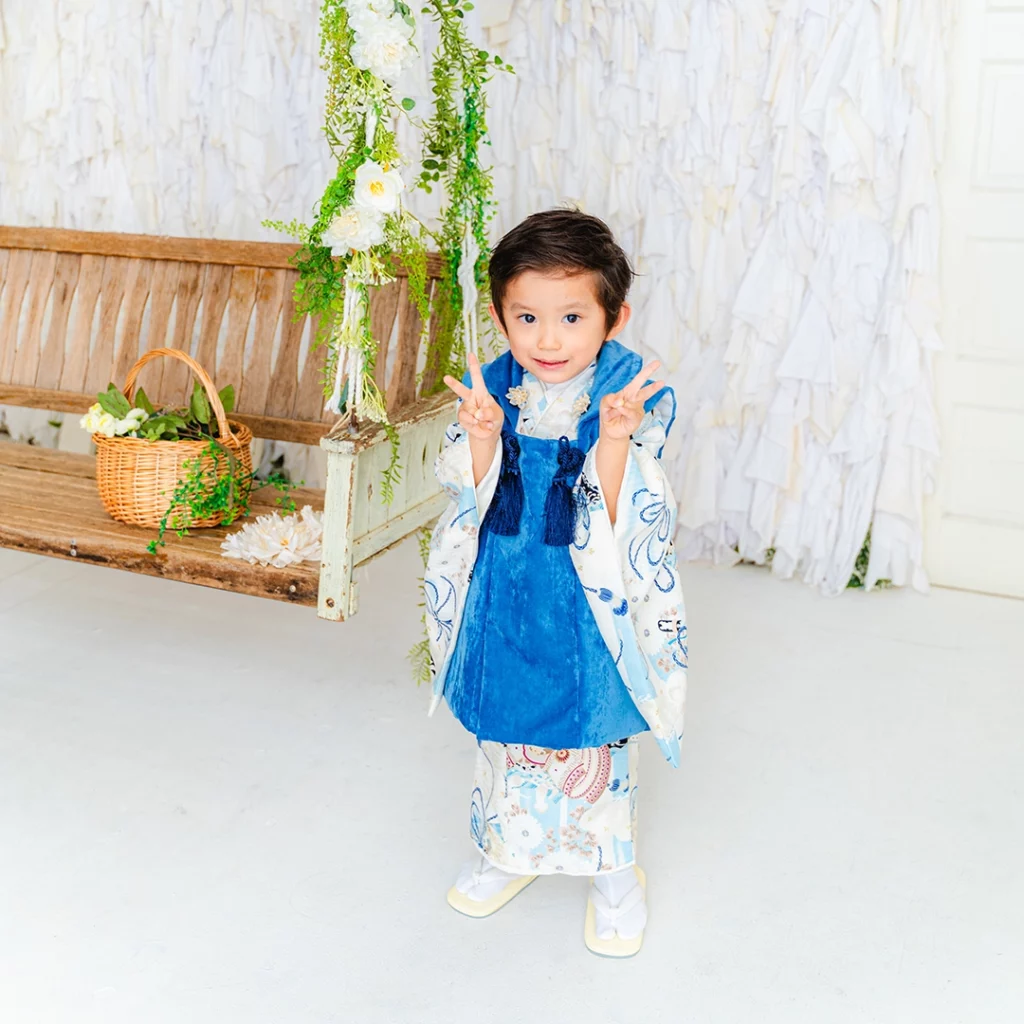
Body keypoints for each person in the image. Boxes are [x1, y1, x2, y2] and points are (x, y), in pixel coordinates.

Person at [423, 208, 687, 958]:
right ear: (500, 315)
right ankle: (508, 851)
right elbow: (470, 497)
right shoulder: (493, 386)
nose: (547, 339)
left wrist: (615, 436)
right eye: (527, 317)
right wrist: (482, 436)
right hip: (507, 588)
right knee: (506, 732)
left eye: (572, 317)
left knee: (593, 735)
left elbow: (625, 513)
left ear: (613, 317)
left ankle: (614, 875)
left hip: (587, 599)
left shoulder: (629, 392)